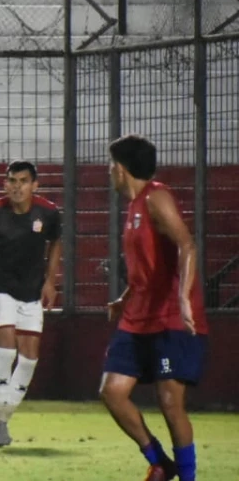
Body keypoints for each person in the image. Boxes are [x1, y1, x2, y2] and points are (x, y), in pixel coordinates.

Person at [100, 134, 208, 481]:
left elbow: (187, 245)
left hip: (169, 318)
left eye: (111, 165)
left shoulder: (156, 197)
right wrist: (124, 297)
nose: (109, 171)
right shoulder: (132, 208)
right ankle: (161, 462)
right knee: (112, 392)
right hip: (137, 315)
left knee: (170, 401)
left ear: (121, 168)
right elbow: (147, 267)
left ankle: (187, 477)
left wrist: (183, 300)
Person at [0, 160, 62, 448]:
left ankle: (2, 421)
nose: (17, 187)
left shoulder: (48, 212)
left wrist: (50, 281)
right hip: (0, 290)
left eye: (23, 181)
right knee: (7, 350)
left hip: (32, 292)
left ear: (35, 185)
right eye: (12, 181)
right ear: (5, 185)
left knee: (29, 358)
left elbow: (56, 242)